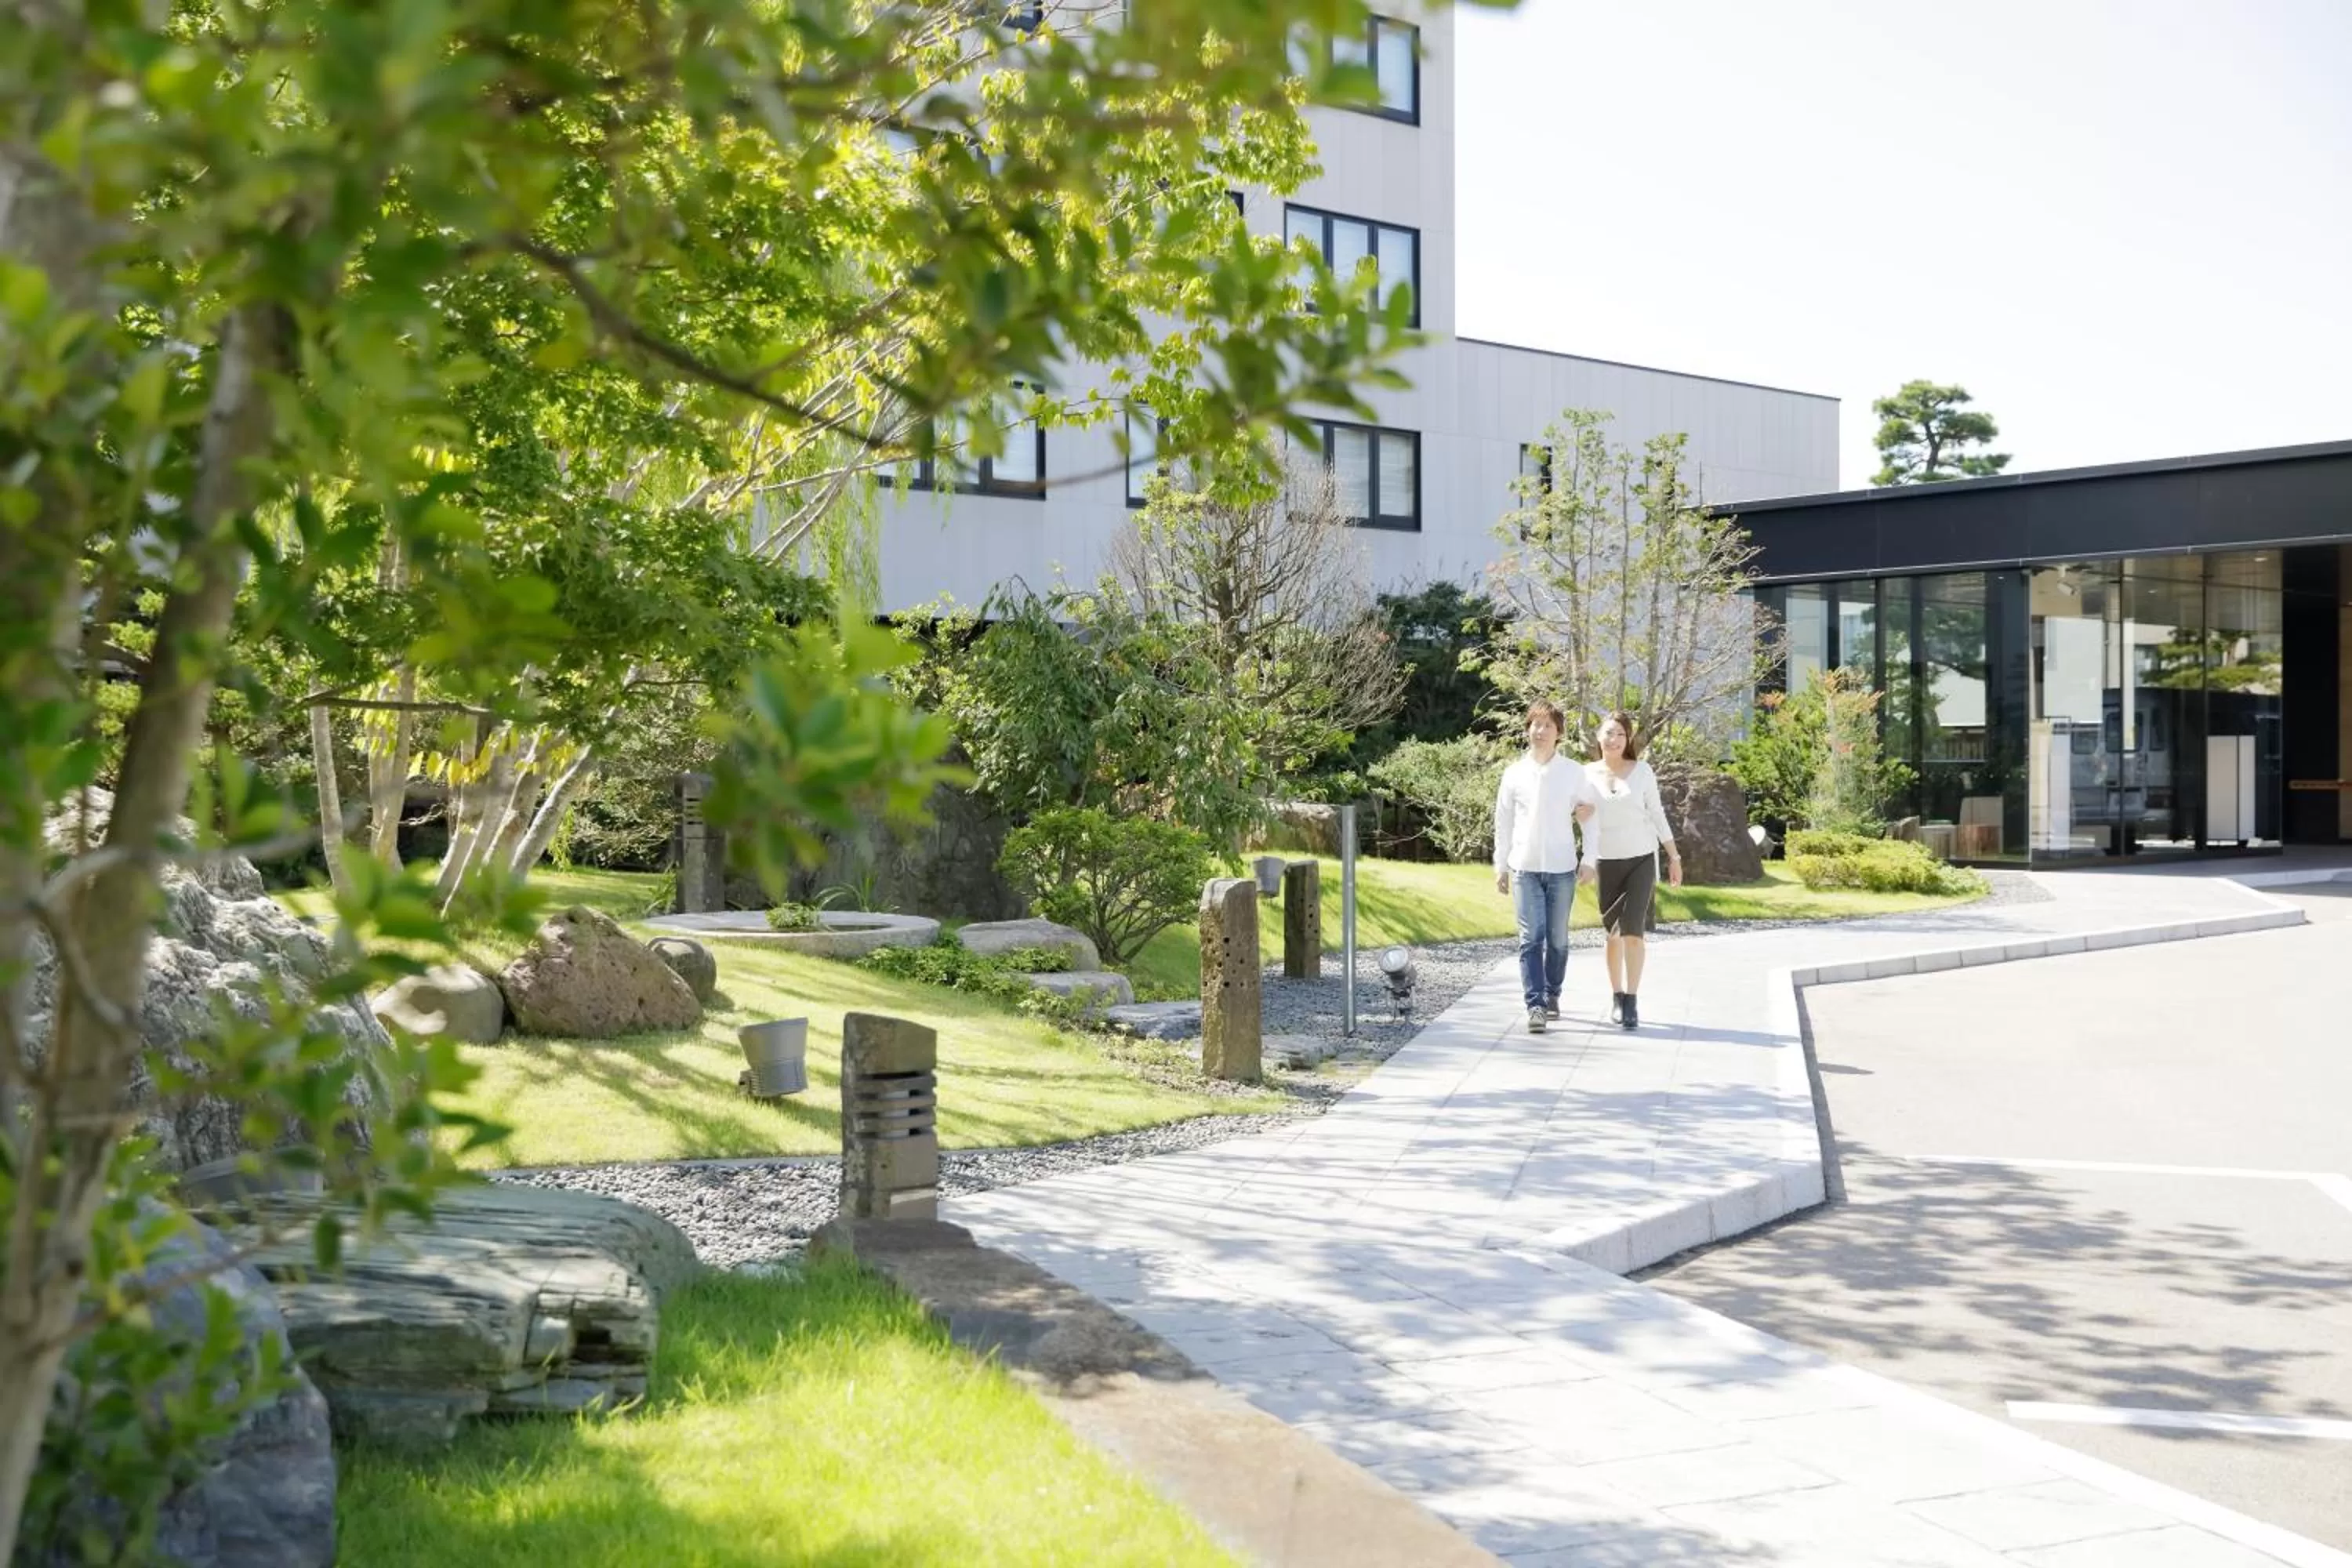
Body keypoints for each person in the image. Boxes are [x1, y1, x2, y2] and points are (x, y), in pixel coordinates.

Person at [1493, 700, 1601, 1034]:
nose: (1539, 732)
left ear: (1559, 734)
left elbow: (1590, 816)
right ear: (1527, 729)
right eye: (1535, 725)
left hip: (1561, 867)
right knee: (1530, 938)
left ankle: (1553, 992)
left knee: (1557, 940)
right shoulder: (1513, 774)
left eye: (1548, 727)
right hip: (1524, 867)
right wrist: (1501, 865)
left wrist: (1590, 859)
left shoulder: (1574, 773)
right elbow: (1503, 823)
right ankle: (1535, 1004)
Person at [1583, 711, 1681, 1030]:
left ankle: (1632, 1001)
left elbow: (1657, 814)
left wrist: (1674, 856)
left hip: (1641, 858)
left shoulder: (1643, 772)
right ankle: (1616, 996)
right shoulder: (1584, 775)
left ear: (1628, 740)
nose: (1614, 740)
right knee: (1612, 935)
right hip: (1606, 861)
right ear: (1598, 737)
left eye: (1621, 735)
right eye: (1609, 734)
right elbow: (1577, 815)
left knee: (1633, 934)